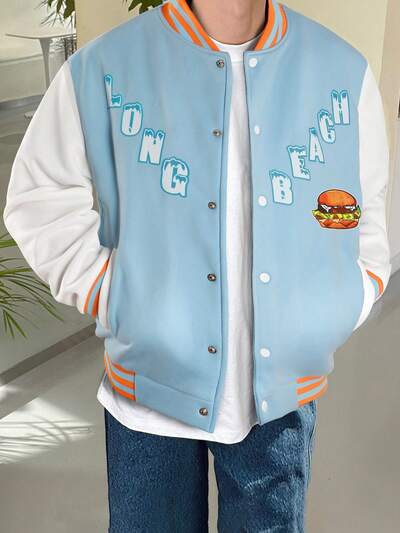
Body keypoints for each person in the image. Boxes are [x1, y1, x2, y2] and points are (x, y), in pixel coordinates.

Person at [3, 0, 392, 531]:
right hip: (147, 395)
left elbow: (366, 216)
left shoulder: (340, 71)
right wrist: (116, 296)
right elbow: (38, 198)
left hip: (280, 399)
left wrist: (332, 308)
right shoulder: (107, 66)